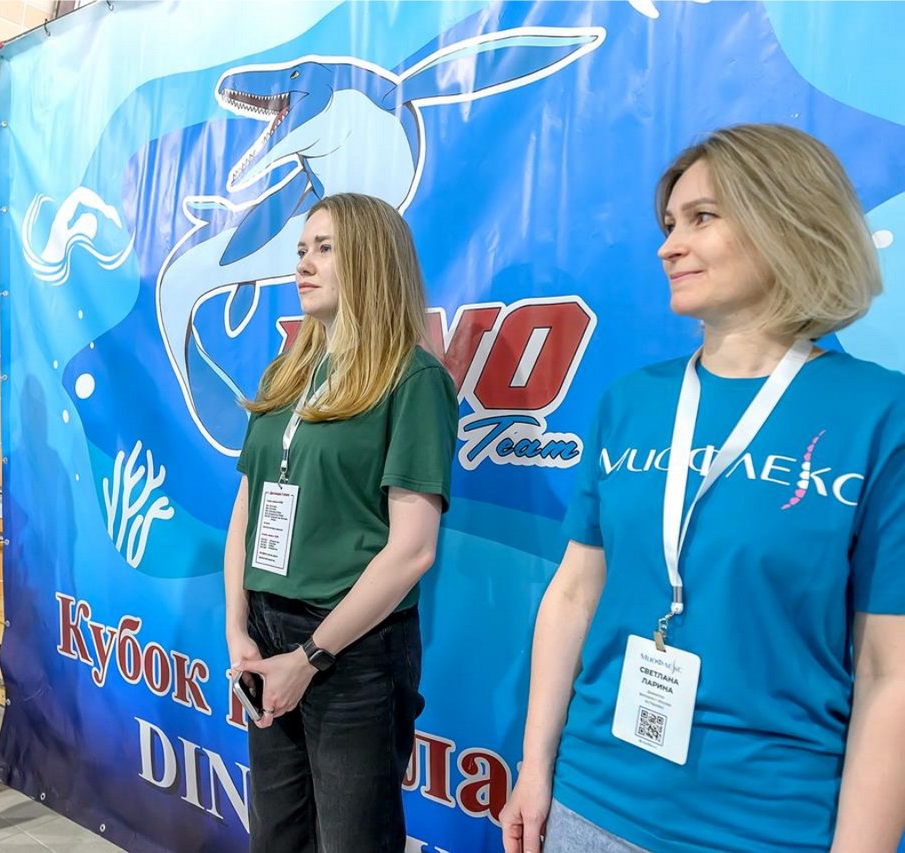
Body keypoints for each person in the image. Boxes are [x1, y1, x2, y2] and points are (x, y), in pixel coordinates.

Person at [501, 124, 905, 853]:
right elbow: (574, 594)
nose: (668, 246)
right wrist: (536, 768)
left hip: (766, 824)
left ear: (788, 221)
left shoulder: (880, 414)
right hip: (591, 800)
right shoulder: (630, 402)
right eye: (668, 224)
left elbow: (889, 671)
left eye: (701, 217)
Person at [224, 192, 459, 852]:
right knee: (278, 835)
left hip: (352, 649)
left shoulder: (412, 380)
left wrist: (310, 656)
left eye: (324, 248)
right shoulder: (286, 372)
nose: (303, 263)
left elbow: (412, 550)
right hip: (268, 632)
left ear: (371, 261)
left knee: (353, 840)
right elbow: (247, 507)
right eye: (302, 249)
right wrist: (238, 628)